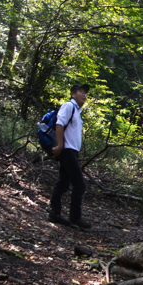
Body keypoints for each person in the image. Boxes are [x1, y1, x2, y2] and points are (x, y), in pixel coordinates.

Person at [48, 83, 91, 229]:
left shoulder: (77, 112)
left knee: (63, 182)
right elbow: (59, 124)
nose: (84, 95)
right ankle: (75, 217)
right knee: (79, 184)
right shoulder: (69, 106)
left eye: (85, 93)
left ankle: (54, 213)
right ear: (73, 94)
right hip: (67, 150)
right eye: (80, 91)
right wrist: (60, 146)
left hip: (71, 151)